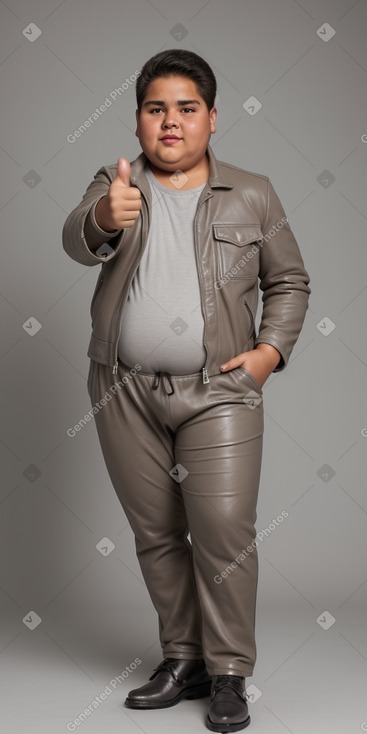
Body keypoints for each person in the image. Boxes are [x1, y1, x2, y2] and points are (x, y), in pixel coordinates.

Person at [62, 48, 311, 732]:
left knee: (223, 532)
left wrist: (268, 353)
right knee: (156, 533)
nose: (170, 122)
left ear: (211, 118)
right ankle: (183, 659)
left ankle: (228, 672)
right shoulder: (115, 185)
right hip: (123, 392)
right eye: (154, 108)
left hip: (219, 393)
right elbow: (77, 242)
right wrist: (105, 217)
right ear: (138, 120)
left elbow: (288, 280)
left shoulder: (253, 191)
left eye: (186, 108)